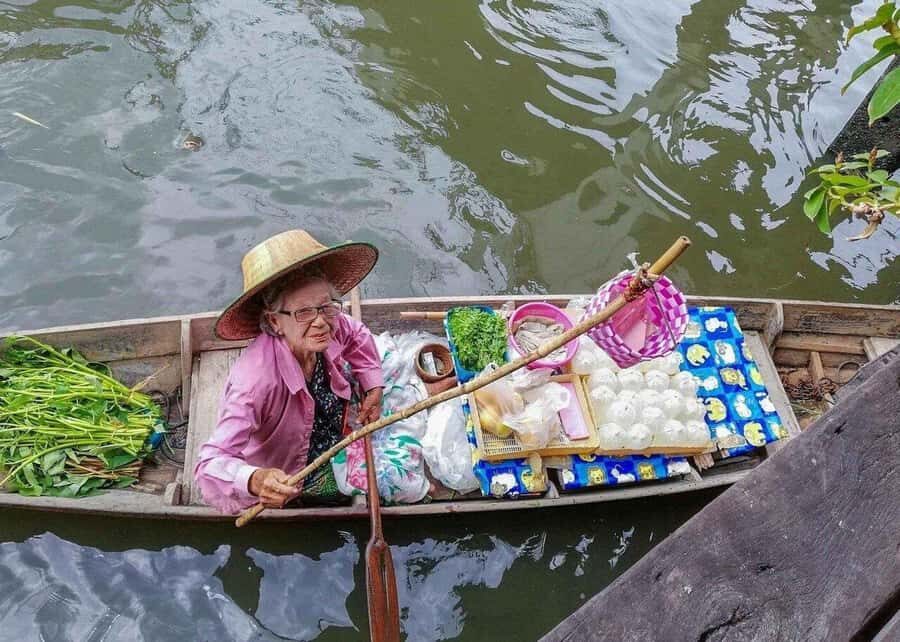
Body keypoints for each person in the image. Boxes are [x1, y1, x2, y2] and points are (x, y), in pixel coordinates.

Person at [194, 229, 384, 514]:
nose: (320, 322)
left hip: (334, 427)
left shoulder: (331, 324)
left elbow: (356, 334)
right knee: (391, 484)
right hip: (295, 470)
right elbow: (208, 467)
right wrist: (256, 479)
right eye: (303, 313)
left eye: (326, 306)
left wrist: (373, 387)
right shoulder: (255, 382)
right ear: (275, 321)